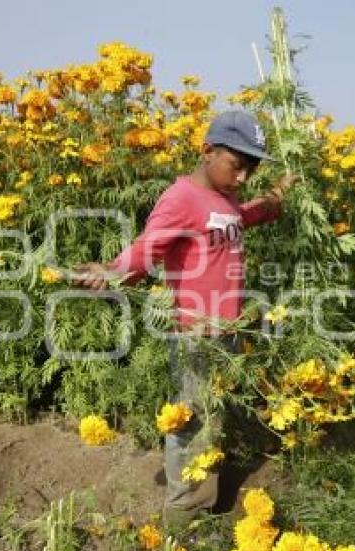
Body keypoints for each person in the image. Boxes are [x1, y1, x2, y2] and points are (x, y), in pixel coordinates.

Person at [74, 110, 295, 529]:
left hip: (225, 332)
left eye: (252, 169)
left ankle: (206, 500)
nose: (243, 177)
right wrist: (113, 270)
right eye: (237, 165)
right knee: (191, 421)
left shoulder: (225, 196)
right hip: (195, 334)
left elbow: (242, 216)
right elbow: (147, 248)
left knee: (213, 415)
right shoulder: (180, 199)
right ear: (207, 150)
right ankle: (182, 515)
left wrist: (276, 199)